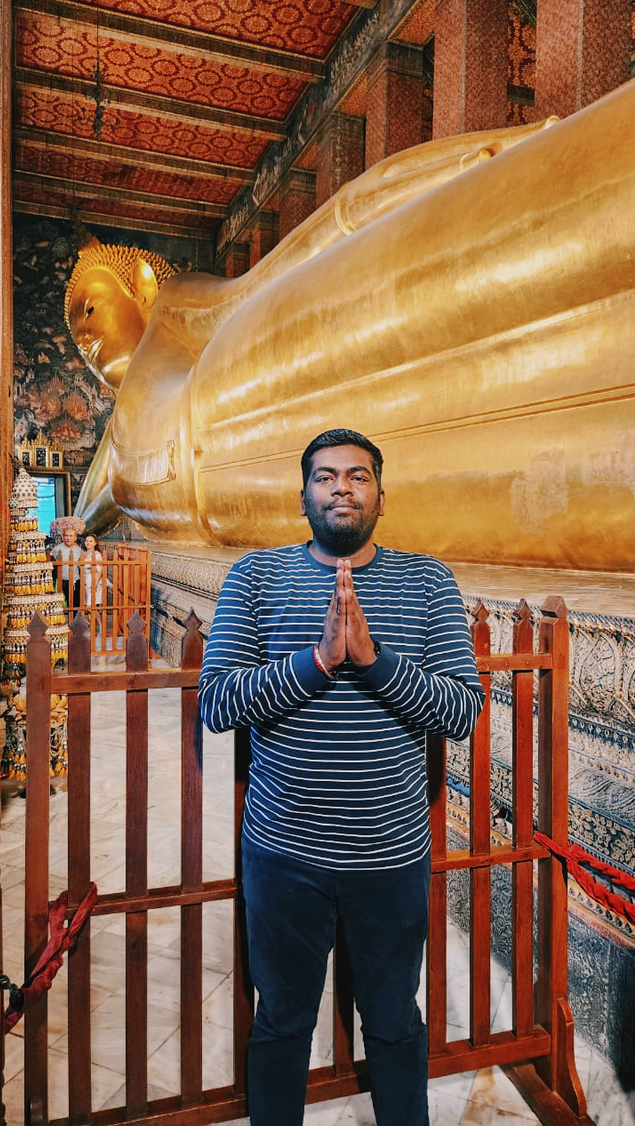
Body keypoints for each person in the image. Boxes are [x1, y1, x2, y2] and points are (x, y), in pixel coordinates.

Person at [61, 94, 635, 571]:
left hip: (246, 374)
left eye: (88, 310)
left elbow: (280, 267)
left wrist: (423, 180)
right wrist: (72, 528)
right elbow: (89, 507)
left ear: (138, 285)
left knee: (486, 268)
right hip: (252, 487)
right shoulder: (117, 448)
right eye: (75, 335)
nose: (86, 343)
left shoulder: (175, 307)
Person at [198, 428, 485, 1126]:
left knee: (392, 1021)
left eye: (358, 477)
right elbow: (216, 702)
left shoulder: (426, 581)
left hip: (389, 853)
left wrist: (373, 657)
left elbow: (462, 711)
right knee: (283, 1021)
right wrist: (318, 661)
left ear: (381, 497)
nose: (341, 489)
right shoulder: (257, 578)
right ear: (303, 497)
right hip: (284, 849)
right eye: (325, 477)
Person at [51, 525, 82, 611]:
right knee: (61, 606)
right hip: (62, 581)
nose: (68, 538)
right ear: (63, 537)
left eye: (71, 536)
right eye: (66, 536)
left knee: (75, 605)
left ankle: (73, 623)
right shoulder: (56, 549)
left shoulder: (78, 550)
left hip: (76, 581)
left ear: (75, 538)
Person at [81, 533, 104, 609]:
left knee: (90, 606)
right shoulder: (84, 553)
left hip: (93, 581)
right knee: (90, 607)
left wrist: (95, 583)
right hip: (86, 581)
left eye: (91, 541)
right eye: (86, 541)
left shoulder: (97, 554)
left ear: (95, 543)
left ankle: (96, 621)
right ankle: (96, 621)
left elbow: (100, 570)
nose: (88, 543)